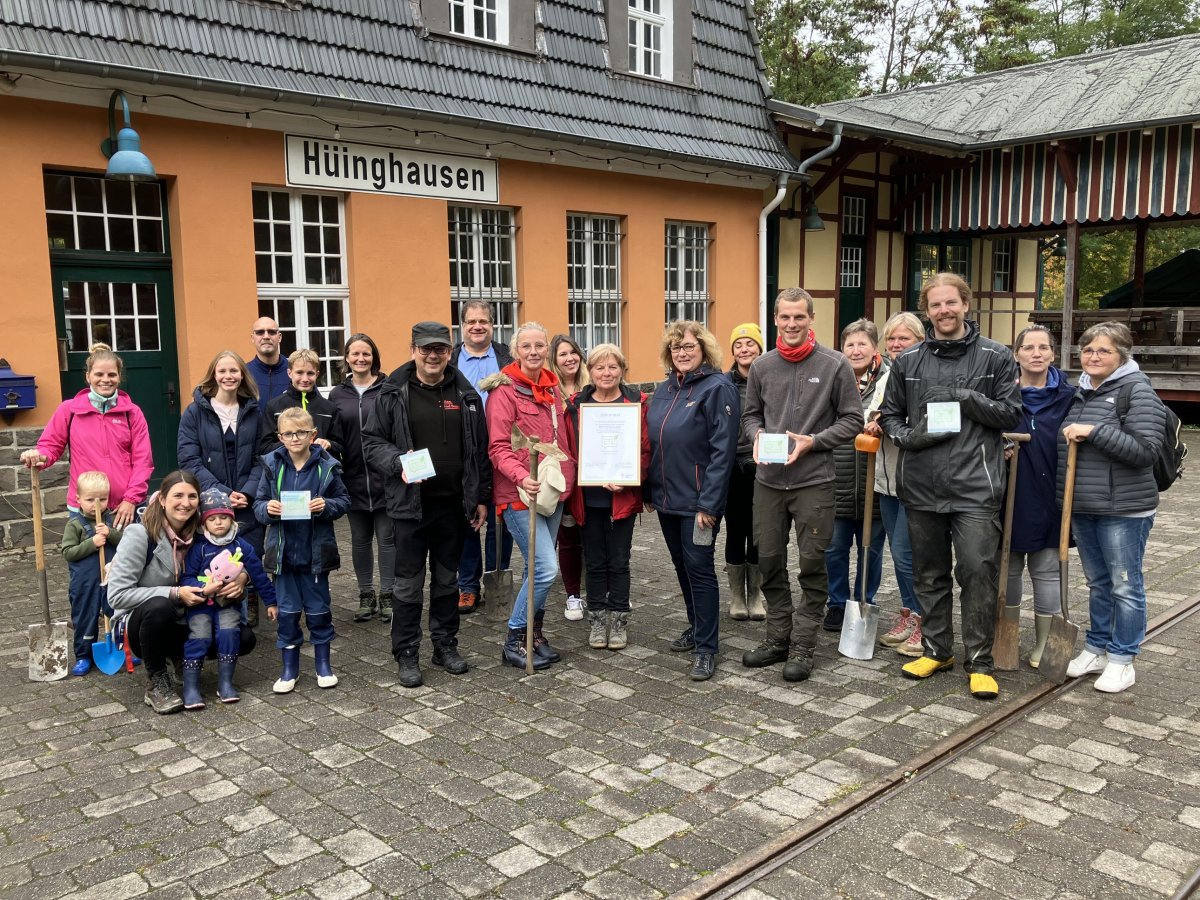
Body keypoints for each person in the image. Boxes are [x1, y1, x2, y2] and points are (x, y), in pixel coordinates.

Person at [879, 272, 1021, 700]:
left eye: (951, 303)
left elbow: (1011, 415)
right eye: (936, 305)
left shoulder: (996, 357)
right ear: (928, 310)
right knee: (929, 573)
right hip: (921, 484)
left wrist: (967, 397)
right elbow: (890, 417)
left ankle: (980, 660)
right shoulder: (908, 362)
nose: (944, 311)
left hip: (976, 485)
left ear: (965, 304)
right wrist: (909, 438)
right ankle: (938, 649)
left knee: (977, 571)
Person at [740, 290, 861, 682]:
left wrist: (816, 441)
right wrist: (757, 434)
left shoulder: (834, 364)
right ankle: (778, 637)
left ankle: (804, 643)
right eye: (785, 317)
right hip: (769, 483)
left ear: (811, 318)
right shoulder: (761, 366)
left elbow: (852, 419)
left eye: (799, 317)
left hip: (814, 481)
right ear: (775, 318)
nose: (792, 324)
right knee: (769, 560)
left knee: (812, 563)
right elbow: (750, 415)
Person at [362, 322, 491, 687]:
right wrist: (397, 463)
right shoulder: (392, 392)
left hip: (453, 506)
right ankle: (406, 652)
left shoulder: (466, 394)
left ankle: (445, 645)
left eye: (440, 349)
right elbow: (371, 442)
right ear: (413, 350)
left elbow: (478, 450)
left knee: (448, 581)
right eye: (425, 349)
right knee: (407, 585)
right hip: (409, 507)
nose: (433, 356)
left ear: (450, 352)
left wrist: (481, 497)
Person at [1060, 322, 1165, 694]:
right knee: (1099, 583)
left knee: (1125, 586)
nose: (1093, 356)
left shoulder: (1137, 390)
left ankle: (1123, 659)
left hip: (1124, 509)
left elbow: (1145, 451)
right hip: (1086, 506)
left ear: (1122, 354)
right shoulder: (1084, 392)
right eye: (1087, 350)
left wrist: (1094, 431)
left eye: (1103, 351)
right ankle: (1097, 648)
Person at [107, 471, 255, 715]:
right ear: (162, 499)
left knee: (245, 637)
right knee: (159, 606)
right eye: (178, 495)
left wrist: (242, 577)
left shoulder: (202, 532)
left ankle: (181, 659)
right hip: (145, 624)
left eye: (192, 496)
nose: (185, 503)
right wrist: (176, 592)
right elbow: (118, 596)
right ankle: (156, 681)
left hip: (189, 617)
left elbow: (241, 554)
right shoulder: (140, 535)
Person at [647, 320, 739, 681]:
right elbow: (653, 443)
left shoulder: (717, 388)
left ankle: (707, 648)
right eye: (675, 348)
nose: (682, 353)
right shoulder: (665, 389)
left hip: (699, 504)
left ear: (703, 349)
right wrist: (648, 490)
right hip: (667, 501)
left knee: (700, 570)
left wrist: (709, 505)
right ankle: (696, 625)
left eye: (688, 347)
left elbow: (723, 452)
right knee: (681, 567)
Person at [484, 322, 577, 670]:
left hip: (552, 491)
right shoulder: (504, 393)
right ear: (515, 351)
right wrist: (523, 475)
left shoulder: (552, 390)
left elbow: (563, 442)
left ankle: (533, 636)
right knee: (545, 568)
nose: (534, 352)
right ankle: (514, 637)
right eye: (527, 346)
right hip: (519, 494)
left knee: (534, 570)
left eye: (540, 346)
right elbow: (497, 447)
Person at [254, 407, 351, 693]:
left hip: (315, 556)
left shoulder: (327, 465)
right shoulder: (272, 465)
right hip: (283, 557)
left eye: (301, 433)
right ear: (279, 436)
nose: (294, 438)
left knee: (319, 611)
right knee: (287, 613)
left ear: (313, 435)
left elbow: (344, 501)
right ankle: (289, 670)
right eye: (288, 433)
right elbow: (258, 504)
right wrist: (267, 509)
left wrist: (327, 506)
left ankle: (323, 665)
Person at [562, 344, 650, 650]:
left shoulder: (636, 403)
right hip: (588, 498)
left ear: (622, 370)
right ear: (590, 371)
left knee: (619, 560)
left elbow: (644, 448)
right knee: (595, 561)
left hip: (621, 497)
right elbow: (569, 448)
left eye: (613, 367)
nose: (606, 373)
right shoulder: (576, 404)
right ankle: (597, 621)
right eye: (599, 367)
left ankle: (619, 621)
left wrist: (629, 478)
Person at [176, 350, 266, 628]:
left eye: (234, 371)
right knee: (211, 552)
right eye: (222, 371)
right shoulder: (195, 411)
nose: (228, 376)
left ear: (242, 376)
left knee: (248, 549)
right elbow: (189, 459)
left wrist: (248, 492)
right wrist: (222, 494)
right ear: (213, 375)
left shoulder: (253, 411)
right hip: (211, 499)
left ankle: (246, 597)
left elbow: (262, 457)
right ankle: (212, 609)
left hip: (246, 498)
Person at [21, 343, 153, 529]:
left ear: (119, 377)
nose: (105, 379)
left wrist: (131, 499)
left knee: (128, 559)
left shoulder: (132, 413)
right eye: (99, 374)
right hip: (84, 508)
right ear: (88, 376)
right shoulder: (69, 410)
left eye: (111, 375)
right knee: (86, 558)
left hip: (123, 508)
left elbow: (143, 461)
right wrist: (39, 456)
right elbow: (50, 446)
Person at [1007, 324, 1075, 668]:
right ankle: (1006, 638)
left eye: (1043, 347)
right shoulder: (1003, 394)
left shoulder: (1070, 397)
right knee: (1008, 569)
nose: (1036, 353)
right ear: (1016, 353)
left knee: (1047, 569)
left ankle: (1045, 645)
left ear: (1053, 353)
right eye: (1029, 347)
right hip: (1009, 494)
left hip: (1051, 493)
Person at [179, 488, 277, 707]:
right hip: (201, 605)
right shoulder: (199, 548)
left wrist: (271, 602)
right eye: (212, 519)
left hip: (228, 604)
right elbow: (186, 578)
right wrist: (203, 587)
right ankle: (191, 687)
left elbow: (259, 575)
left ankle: (225, 682)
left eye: (224, 518)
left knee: (229, 633)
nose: (219, 523)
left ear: (231, 519)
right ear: (204, 523)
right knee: (200, 635)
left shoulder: (241, 545)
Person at [867, 313, 925, 657]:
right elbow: (870, 414)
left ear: (920, 340)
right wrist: (875, 423)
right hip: (886, 481)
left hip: (916, 483)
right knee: (898, 553)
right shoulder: (886, 378)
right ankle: (908, 612)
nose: (896, 345)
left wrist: (888, 424)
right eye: (891, 339)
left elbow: (926, 424)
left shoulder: (926, 375)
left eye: (904, 338)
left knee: (907, 556)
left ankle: (924, 619)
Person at [824, 319, 888, 631]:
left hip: (874, 483)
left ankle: (865, 600)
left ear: (875, 348)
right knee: (834, 548)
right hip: (837, 479)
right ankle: (836, 603)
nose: (855, 350)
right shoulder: (831, 380)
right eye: (850, 344)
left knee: (870, 550)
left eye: (862, 343)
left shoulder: (889, 382)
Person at [329, 333, 396, 624]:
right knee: (359, 540)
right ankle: (365, 594)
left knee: (387, 539)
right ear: (346, 358)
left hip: (385, 478)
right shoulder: (336, 394)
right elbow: (334, 438)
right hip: (353, 478)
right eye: (354, 354)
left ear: (374, 357)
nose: (360, 359)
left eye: (366, 354)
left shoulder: (389, 388)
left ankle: (389, 594)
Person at [454, 299, 514, 614]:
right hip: (463, 452)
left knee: (500, 518)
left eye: (484, 321)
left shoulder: (508, 359)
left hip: (501, 447)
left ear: (493, 324)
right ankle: (467, 585)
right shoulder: (449, 360)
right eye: (471, 322)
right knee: (467, 519)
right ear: (462, 326)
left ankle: (495, 579)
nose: (478, 326)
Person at [60, 471, 123, 676]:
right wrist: (92, 543)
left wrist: (110, 534)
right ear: (78, 499)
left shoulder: (112, 520)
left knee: (117, 613)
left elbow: (125, 543)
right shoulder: (75, 524)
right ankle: (83, 655)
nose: (96, 505)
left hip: (111, 579)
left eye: (102, 499)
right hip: (85, 582)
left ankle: (123, 649)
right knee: (85, 616)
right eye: (89, 500)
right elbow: (68, 552)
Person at [725, 323, 766, 621]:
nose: (744, 349)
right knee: (735, 529)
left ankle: (756, 596)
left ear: (760, 348)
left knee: (759, 531)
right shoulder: (724, 383)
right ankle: (737, 596)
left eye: (750, 343)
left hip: (761, 465)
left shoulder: (769, 379)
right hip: (730, 465)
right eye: (738, 345)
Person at [549, 334, 591, 621]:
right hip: (564, 475)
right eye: (563, 354)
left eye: (573, 352)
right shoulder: (549, 392)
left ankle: (595, 589)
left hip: (593, 473)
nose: (569, 358)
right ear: (554, 360)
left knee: (594, 535)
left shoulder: (592, 388)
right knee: (569, 536)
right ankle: (573, 595)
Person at [258, 348, 344, 459]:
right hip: (285, 472)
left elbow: (341, 448)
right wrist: (292, 442)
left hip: (319, 472)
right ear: (289, 373)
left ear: (317, 374)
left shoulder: (329, 408)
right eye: (299, 373)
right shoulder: (274, 407)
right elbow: (264, 448)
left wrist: (329, 444)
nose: (305, 379)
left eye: (310, 373)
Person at [247, 316, 290, 403]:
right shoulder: (244, 373)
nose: (266, 336)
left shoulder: (295, 371)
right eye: (260, 332)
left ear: (280, 337)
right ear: (252, 338)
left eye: (271, 332)